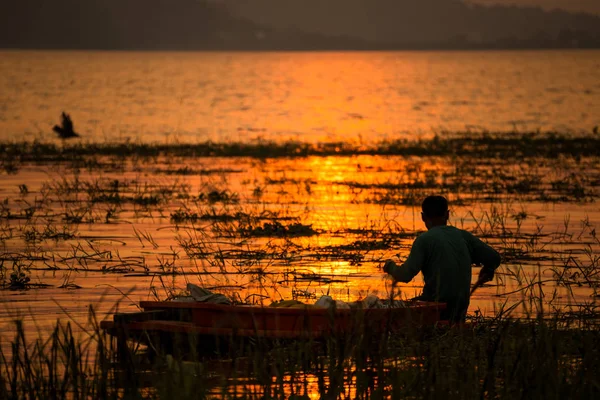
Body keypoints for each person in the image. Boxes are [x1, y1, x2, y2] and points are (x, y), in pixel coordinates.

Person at [383, 195, 501, 322]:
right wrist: (488, 269)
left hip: (435, 307)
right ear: (447, 215)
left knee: (391, 310)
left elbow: (404, 275)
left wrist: (389, 266)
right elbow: (494, 257)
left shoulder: (424, 240)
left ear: (423, 217)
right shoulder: (463, 236)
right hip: (459, 309)